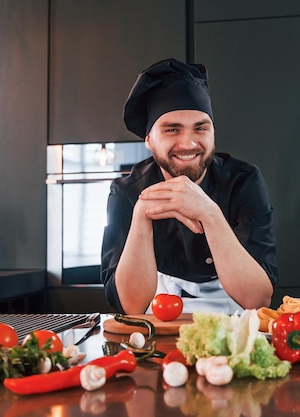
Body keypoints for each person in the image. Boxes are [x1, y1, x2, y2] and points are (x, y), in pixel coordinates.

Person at [100, 58, 277, 314]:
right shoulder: (127, 190)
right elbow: (131, 306)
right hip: (157, 306)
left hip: (231, 304)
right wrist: (141, 216)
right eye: (172, 129)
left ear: (212, 132)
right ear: (149, 139)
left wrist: (210, 213)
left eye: (200, 128)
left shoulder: (244, 180)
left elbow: (257, 300)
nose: (188, 143)